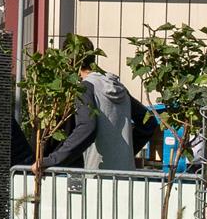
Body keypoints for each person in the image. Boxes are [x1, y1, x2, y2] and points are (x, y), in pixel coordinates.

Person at [41, 37, 156, 171]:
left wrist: (52, 160)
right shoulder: (118, 86)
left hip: (97, 175)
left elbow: (86, 127)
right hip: (125, 173)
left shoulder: (85, 88)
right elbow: (149, 121)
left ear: (69, 61)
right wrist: (124, 154)